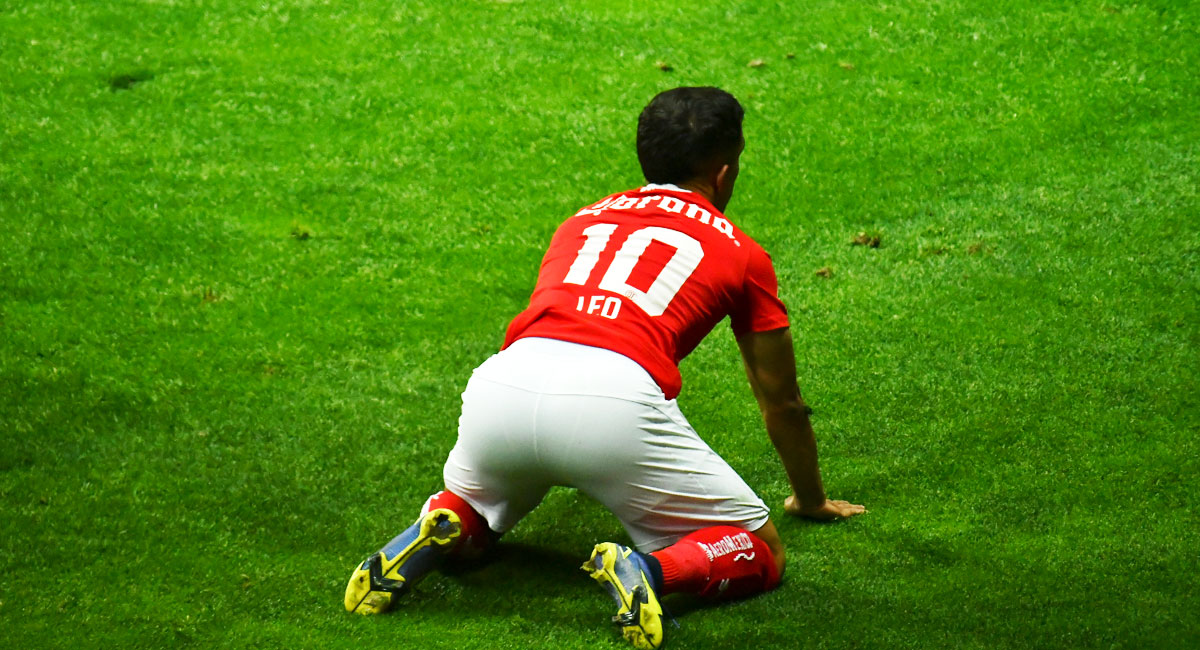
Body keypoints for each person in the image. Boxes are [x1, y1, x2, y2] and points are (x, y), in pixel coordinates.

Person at [343, 86, 866, 649]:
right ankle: (654, 573)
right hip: (612, 405)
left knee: (480, 499)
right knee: (761, 549)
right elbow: (780, 400)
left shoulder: (580, 221)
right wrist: (809, 500)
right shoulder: (742, 252)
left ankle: (448, 522)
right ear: (723, 172)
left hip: (504, 383)